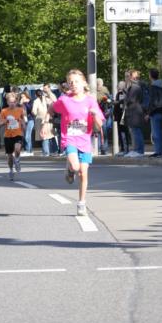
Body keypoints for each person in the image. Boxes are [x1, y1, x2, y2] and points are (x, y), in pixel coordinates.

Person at [49, 69, 104, 216]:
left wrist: (95, 116)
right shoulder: (64, 99)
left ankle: (81, 203)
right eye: (70, 82)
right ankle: (70, 168)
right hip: (70, 138)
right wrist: (46, 122)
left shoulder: (90, 101)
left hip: (85, 141)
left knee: (83, 173)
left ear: (84, 83)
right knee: (75, 166)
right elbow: (52, 108)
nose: (73, 84)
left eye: (76, 81)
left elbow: (99, 125)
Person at [0, 91, 26, 181]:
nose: (12, 104)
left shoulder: (20, 110)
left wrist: (23, 125)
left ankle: (17, 160)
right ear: (7, 102)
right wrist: (5, 121)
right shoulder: (4, 111)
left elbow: (23, 120)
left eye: (14, 102)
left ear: (16, 102)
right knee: (10, 156)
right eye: (10, 102)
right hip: (8, 135)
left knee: (17, 149)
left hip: (18, 133)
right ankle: (11, 170)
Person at [122, 70, 147, 158]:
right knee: (134, 131)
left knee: (136, 131)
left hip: (135, 111)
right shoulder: (134, 87)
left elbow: (131, 99)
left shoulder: (135, 87)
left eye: (128, 76)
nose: (127, 78)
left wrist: (126, 97)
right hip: (134, 111)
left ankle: (139, 150)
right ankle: (136, 149)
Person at [147, 68, 162, 158]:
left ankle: (159, 151)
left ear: (150, 76)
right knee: (159, 132)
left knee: (156, 133)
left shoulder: (152, 87)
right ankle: (160, 151)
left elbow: (152, 101)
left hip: (155, 111)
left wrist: (148, 113)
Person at [19, 90, 34, 155]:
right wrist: (20, 104)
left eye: (23, 96)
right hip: (24, 120)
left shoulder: (30, 101)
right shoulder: (21, 103)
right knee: (26, 136)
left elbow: (30, 109)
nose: (22, 98)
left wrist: (25, 103)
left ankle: (28, 151)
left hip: (30, 120)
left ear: (26, 96)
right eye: (21, 97)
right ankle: (29, 151)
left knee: (27, 136)